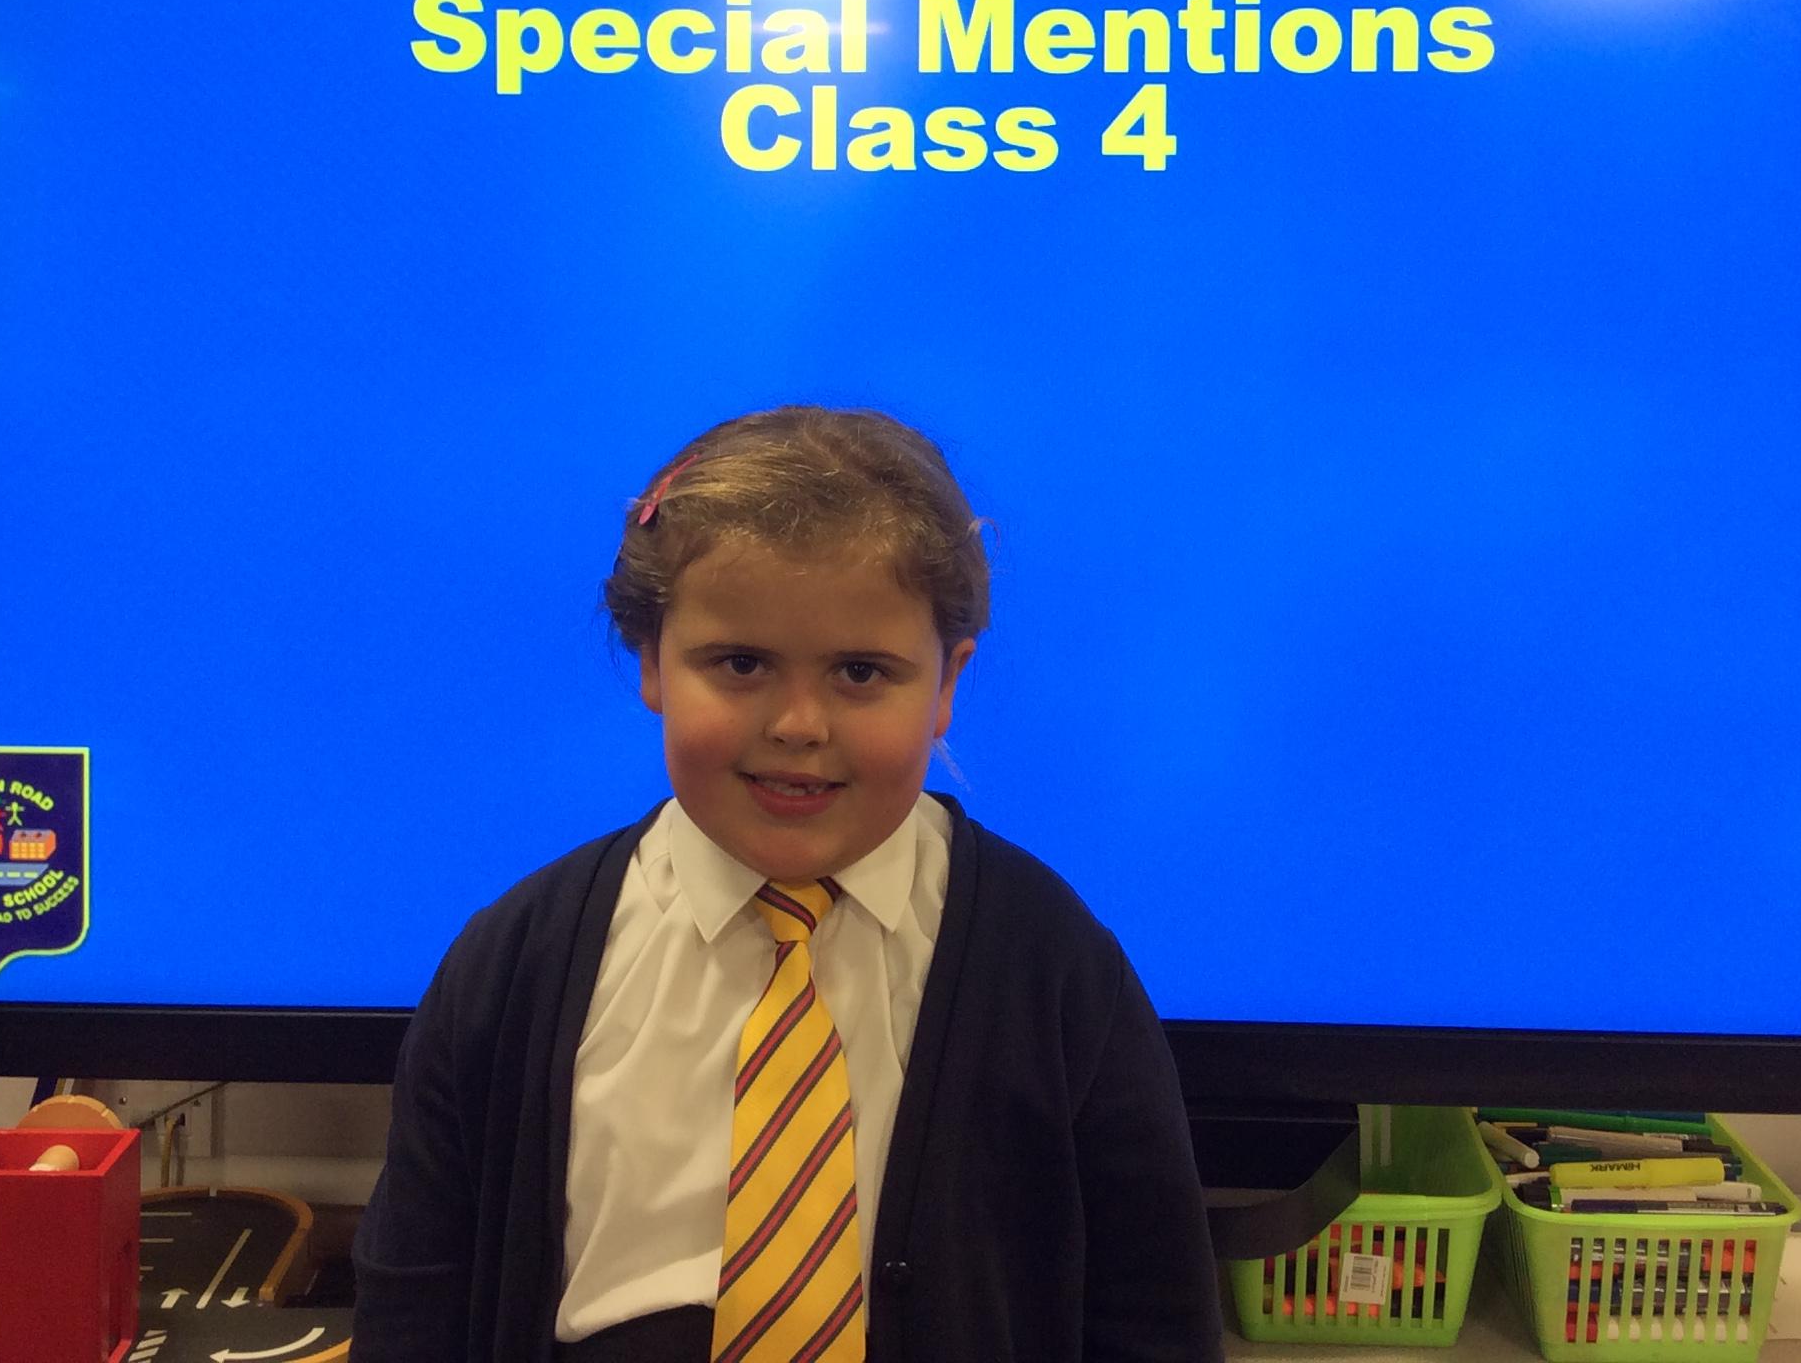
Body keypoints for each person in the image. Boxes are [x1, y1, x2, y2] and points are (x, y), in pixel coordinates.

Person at [352, 406, 1223, 1363]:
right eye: (741, 664)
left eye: (861, 672)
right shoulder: (513, 965)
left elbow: (1155, 1313)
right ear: (651, 660)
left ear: (946, 683)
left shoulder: (1054, 968)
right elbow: (413, 1306)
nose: (799, 724)